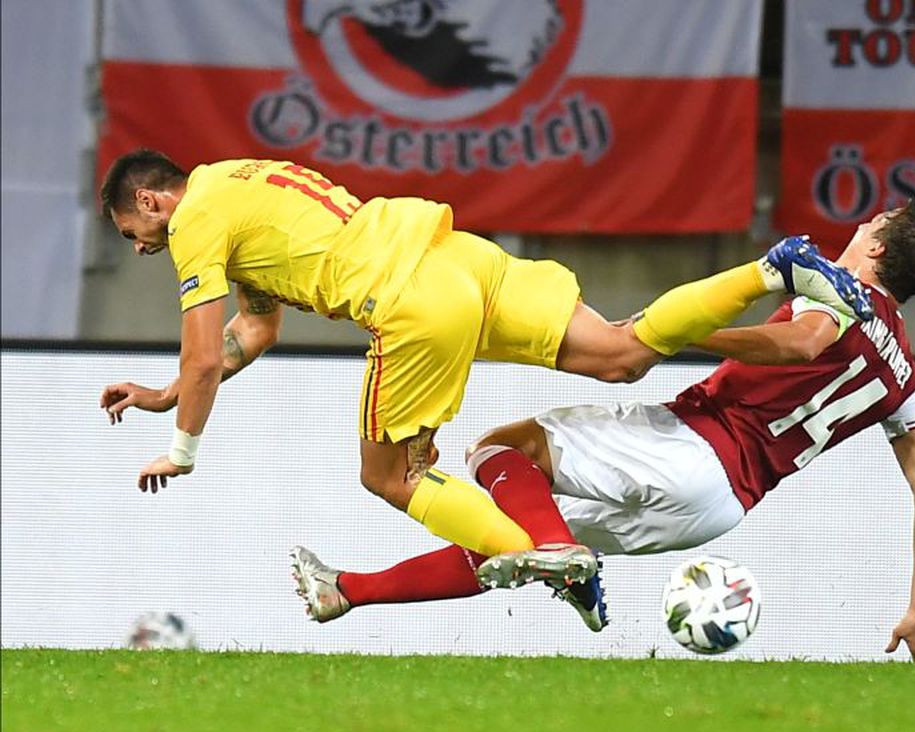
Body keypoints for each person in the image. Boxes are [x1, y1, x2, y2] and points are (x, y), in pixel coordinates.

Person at [98, 149, 873, 589]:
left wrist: (184, 447)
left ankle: (537, 555)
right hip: (455, 257)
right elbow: (252, 329)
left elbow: (203, 350)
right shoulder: (239, 181)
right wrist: (167, 394)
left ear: (152, 200)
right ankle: (772, 269)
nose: (139, 247)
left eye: (134, 230)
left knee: (389, 476)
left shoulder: (193, 221)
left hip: (407, 299)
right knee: (620, 354)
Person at [291, 197, 915, 663]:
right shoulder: (906, 371)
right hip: (720, 506)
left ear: (876, 243)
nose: (860, 227)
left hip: (692, 443)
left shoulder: (841, 300)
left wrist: (683, 330)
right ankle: (347, 591)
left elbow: (804, 343)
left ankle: (559, 552)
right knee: (518, 545)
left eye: (872, 222)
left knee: (503, 450)